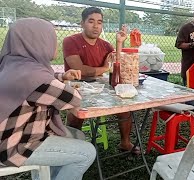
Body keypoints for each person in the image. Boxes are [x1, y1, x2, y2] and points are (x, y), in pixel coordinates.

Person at [0, 18, 96, 180]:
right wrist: (67, 85)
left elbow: (40, 81)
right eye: (51, 38)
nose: (55, 43)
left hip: (14, 134)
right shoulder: (35, 77)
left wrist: (62, 76)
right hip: (11, 147)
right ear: (38, 41)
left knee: (77, 135)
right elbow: (74, 99)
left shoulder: (13, 63)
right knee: (87, 152)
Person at [63, 7, 140, 154]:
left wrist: (119, 43)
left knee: (125, 107)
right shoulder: (70, 41)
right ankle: (70, 150)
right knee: (76, 113)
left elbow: (118, 63)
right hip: (77, 86)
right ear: (82, 23)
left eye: (99, 22)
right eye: (91, 21)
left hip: (100, 87)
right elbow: (79, 70)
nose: (96, 26)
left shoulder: (104, 44)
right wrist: (105, 68)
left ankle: (125, 142)